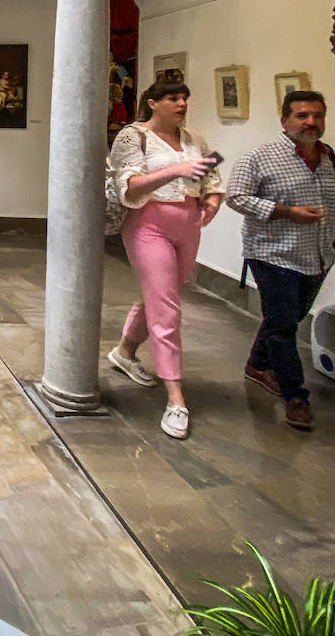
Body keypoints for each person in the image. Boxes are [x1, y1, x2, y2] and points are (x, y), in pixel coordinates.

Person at [106, 80, 224, 439]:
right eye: (173, 98)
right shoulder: (133, 136)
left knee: (162, 296)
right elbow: (129, 185)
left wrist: (212, 200)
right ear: (153, 103)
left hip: (188, 225)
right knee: (167, 308)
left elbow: (212, 176)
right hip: (148, 224)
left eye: (185, 97)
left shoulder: (194, 140)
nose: (182, 103)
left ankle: (125, 352)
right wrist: (176, 171)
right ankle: (175, 397)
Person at [225, 90, 335, 431]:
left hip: (317, 255)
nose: (311, 122)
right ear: (284, 120)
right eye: (302, 115)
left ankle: (257, 363)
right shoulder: (260, 157)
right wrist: (287, 212)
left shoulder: (329, 157)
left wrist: (333, 234)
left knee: (287, 317)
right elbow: (236, 197)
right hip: (273, 254)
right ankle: (295, 395)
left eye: (317, 115)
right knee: (282, 324)